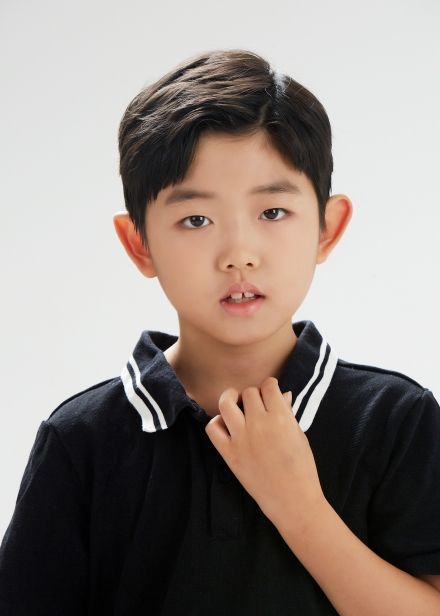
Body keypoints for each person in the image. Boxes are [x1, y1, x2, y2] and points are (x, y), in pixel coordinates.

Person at [1, 49, 439, 616]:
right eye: (196, 219)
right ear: (139, 243)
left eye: (273, 212)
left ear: (327, 229)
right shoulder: (82, 440)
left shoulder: (397, 420)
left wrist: (299, 508)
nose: (239, 254)